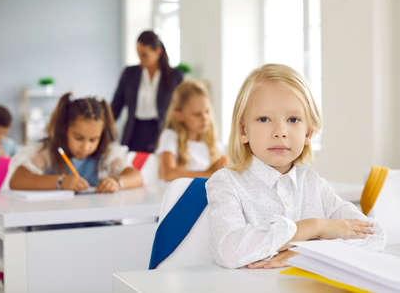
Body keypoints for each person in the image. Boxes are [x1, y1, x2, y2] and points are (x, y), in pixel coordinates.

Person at [205, 64, 385, 269]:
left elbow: (374, 235)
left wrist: (304, 254)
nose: (280, 131)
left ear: (308, 133)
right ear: (243, 131)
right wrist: (314, 228)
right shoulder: (226, 183)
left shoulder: (313, 183)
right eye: (264, 119)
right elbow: (229, 251)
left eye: (293, 119)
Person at [7, 93, 143, 193]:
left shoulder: (106, 155)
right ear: (64, 129)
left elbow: (136, 177)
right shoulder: (47, 152)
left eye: (93, 139)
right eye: (78, 138)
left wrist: (116, 182)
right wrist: (60, 182)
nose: (85, 147)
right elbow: (17, 180)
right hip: (53, 223)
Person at [111, 30, 183, 152]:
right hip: (134, 131)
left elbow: (180, 108)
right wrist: (103, 125)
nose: (140, 59)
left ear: (158, 52)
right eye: (138, 54)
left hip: (160, 130)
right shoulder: (129, 73)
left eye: (144, 55)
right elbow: (116, 105)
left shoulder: (174, 76)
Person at [156, 79, 227, 181]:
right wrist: (209, 173)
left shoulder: (214, 144)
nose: (204, 118)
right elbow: (168, 174)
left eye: (207, 112)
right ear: (178, 115)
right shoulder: (170, 136)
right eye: (197, 114)